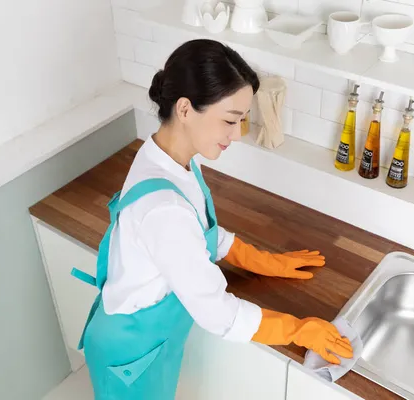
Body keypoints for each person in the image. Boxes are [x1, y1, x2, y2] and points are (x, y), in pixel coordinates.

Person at [71, 39, 353, 400]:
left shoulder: (167, 158)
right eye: (230, 121)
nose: (236, 135)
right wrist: (297, 329)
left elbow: (201, 233)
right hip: (129, 355)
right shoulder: (164, 208)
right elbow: (219, 315)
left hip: (148, 340)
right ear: (186, 109)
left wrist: (265, 261)